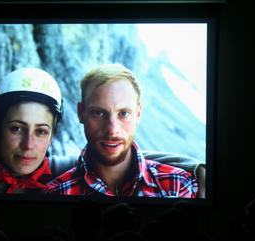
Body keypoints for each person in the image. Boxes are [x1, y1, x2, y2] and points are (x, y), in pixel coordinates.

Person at [47, 63, 199, 197]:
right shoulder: (56, 194)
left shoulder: (180, 186)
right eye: (99, 113)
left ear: (138, 115)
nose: (112, 130)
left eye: (124, 114)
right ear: (81, 113)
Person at [0, 67, 63, 194]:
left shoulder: (63, 171)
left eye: (41, 131)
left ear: (52, 135)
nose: (28, 145)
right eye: (16, 129)